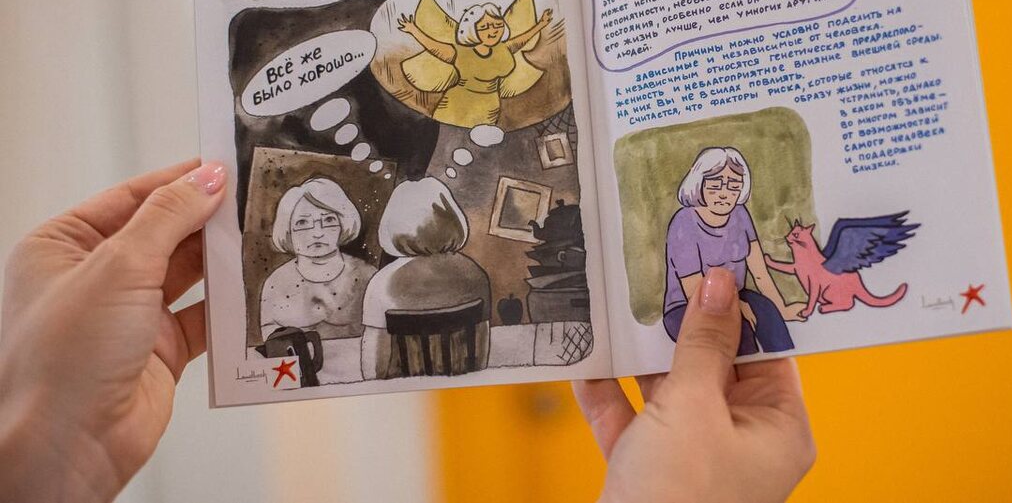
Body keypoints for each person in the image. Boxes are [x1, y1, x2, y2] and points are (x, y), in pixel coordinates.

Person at [0, 160, 815, 501]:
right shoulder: (470, 275)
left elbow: (380, 351)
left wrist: (55, 438)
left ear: (386, 228)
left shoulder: (382, 281)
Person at [663, 147, 805, 356]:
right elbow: (693, 289)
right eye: (715, 185)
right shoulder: (683, 223)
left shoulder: (740, 213)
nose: (724, 194)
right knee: (740, 332)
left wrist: (782, 309)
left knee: (768, 314)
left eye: (734, 186)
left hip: (735, 294)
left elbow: (759, 272)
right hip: (688, 306)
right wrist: (735, 307)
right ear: (699, 183)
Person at [360, 176, 491, 379]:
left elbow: (373, 367)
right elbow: (481, 355)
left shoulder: (381, 283)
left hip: (404, 391)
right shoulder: (476, 274)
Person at [397, 0, 553, 128]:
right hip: (456, 106)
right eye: (484, 27)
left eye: (497, 25)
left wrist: (541, 24)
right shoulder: (460, 52)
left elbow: (522, 40)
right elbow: (434, 47)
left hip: (490, 107)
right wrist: (413, 30)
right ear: (472, 30)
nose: (493, 31)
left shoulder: (504, 48)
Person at [259, 176, 376, 341]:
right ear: (287, 230)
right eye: (302, 222)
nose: (317, 233)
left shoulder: (368, 277)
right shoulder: (276, 283)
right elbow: (272, 341)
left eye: (328, 220)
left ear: (343, 223)